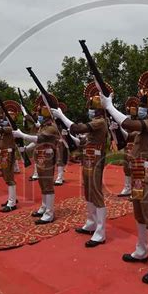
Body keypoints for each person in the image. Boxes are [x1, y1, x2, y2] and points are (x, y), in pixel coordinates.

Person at [100, 70, 148, 284]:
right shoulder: (141, 129)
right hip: (138, 172)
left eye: (142, 102)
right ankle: (141, 250)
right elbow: (123, 136)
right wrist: (113, 127)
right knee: (139, 213)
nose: (138, 106)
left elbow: (128, 124)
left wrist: (110, 107)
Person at [52, 83, 109, 247]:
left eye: (92, 107)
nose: (89, 110)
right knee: (88, 191)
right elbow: (82, 141)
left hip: (96, 161)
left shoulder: (100, 122)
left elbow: (77, 128)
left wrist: (62, 116)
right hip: (88, 159)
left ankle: (100, 232)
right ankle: (91, 222)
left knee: (96, 193)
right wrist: (68, 138)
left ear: (98, 109)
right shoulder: (95, 123)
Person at [13, 94, 61, 224]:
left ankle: (49, 213)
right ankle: (44, 207)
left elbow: (39, 138)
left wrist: (22, 135)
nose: (38, 112)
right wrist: (27, 149)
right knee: (42, 183)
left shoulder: (52, 126)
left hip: (47, 158)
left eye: (41, 110)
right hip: (40, 157)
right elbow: (37, 141)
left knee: (48, 184)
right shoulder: (43, 126)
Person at [117, 97, 140, 197]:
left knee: (135, 168)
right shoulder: (126, 121)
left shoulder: (139, 122)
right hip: (127, 147)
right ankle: (127, 188)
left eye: (134, 108)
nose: (131, 110)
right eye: (130, 108)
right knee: (126, 167)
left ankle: (135, 189)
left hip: (136, 147)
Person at [55, 102, 69, 186]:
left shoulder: (63, 120)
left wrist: (63, 138)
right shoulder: (54, 120)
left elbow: (66, 130)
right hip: (55, 141)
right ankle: (61, 177)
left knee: (61, 159)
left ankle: (59, 178)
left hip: (62, 141)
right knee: (58, 159)